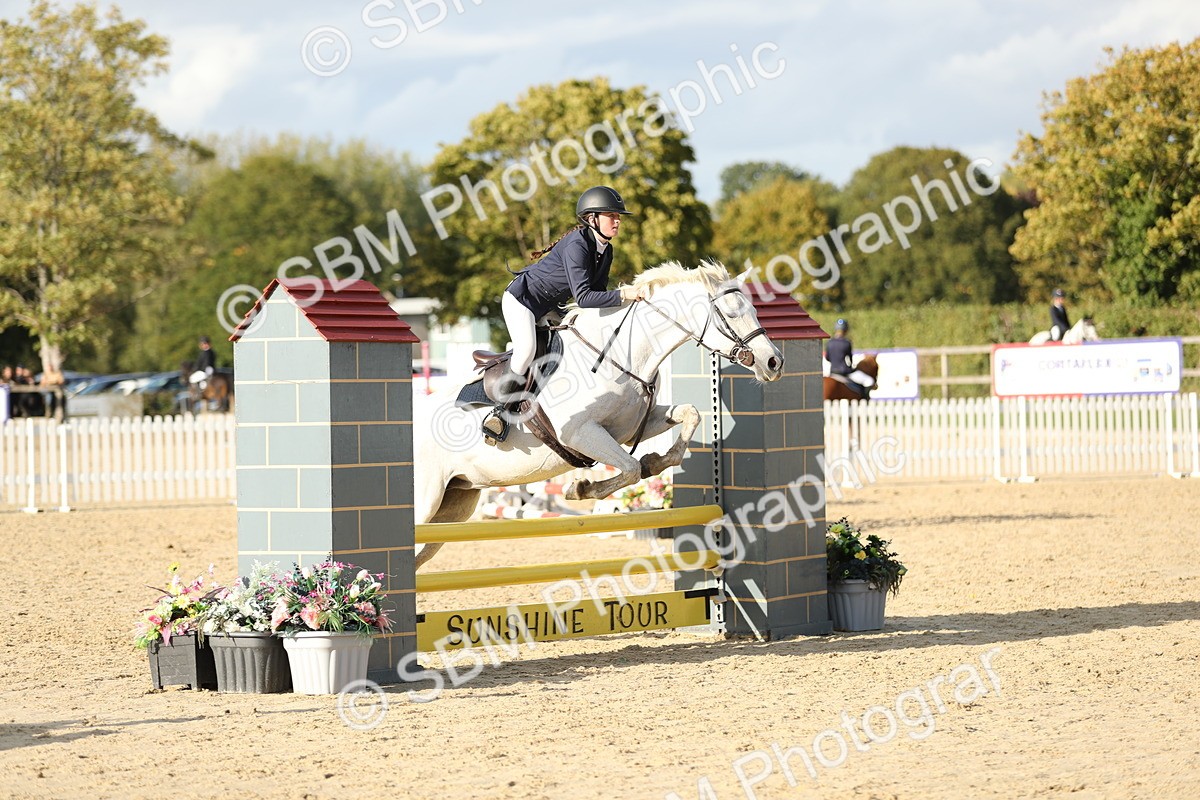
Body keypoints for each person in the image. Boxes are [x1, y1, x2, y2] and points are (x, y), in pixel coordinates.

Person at [483, 186, 648, 440]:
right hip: (523, 300)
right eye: (611, 215)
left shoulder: (606, 250)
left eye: (618, 216)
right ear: (592, 218)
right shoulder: (577, 245)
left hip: (551, 306)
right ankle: (499, 412)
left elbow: (598, 297)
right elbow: (583, 297)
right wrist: (625, 294)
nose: (617, 221)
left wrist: (629, 304)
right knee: (526, 349)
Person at [824, 319, 874, 394]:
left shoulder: (829, 343)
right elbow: (850, 360)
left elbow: (828, 358)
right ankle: (865, 399)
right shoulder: (846, 343)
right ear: (846, 330)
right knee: (869, 381)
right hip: (845, 372)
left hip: (833, 372)